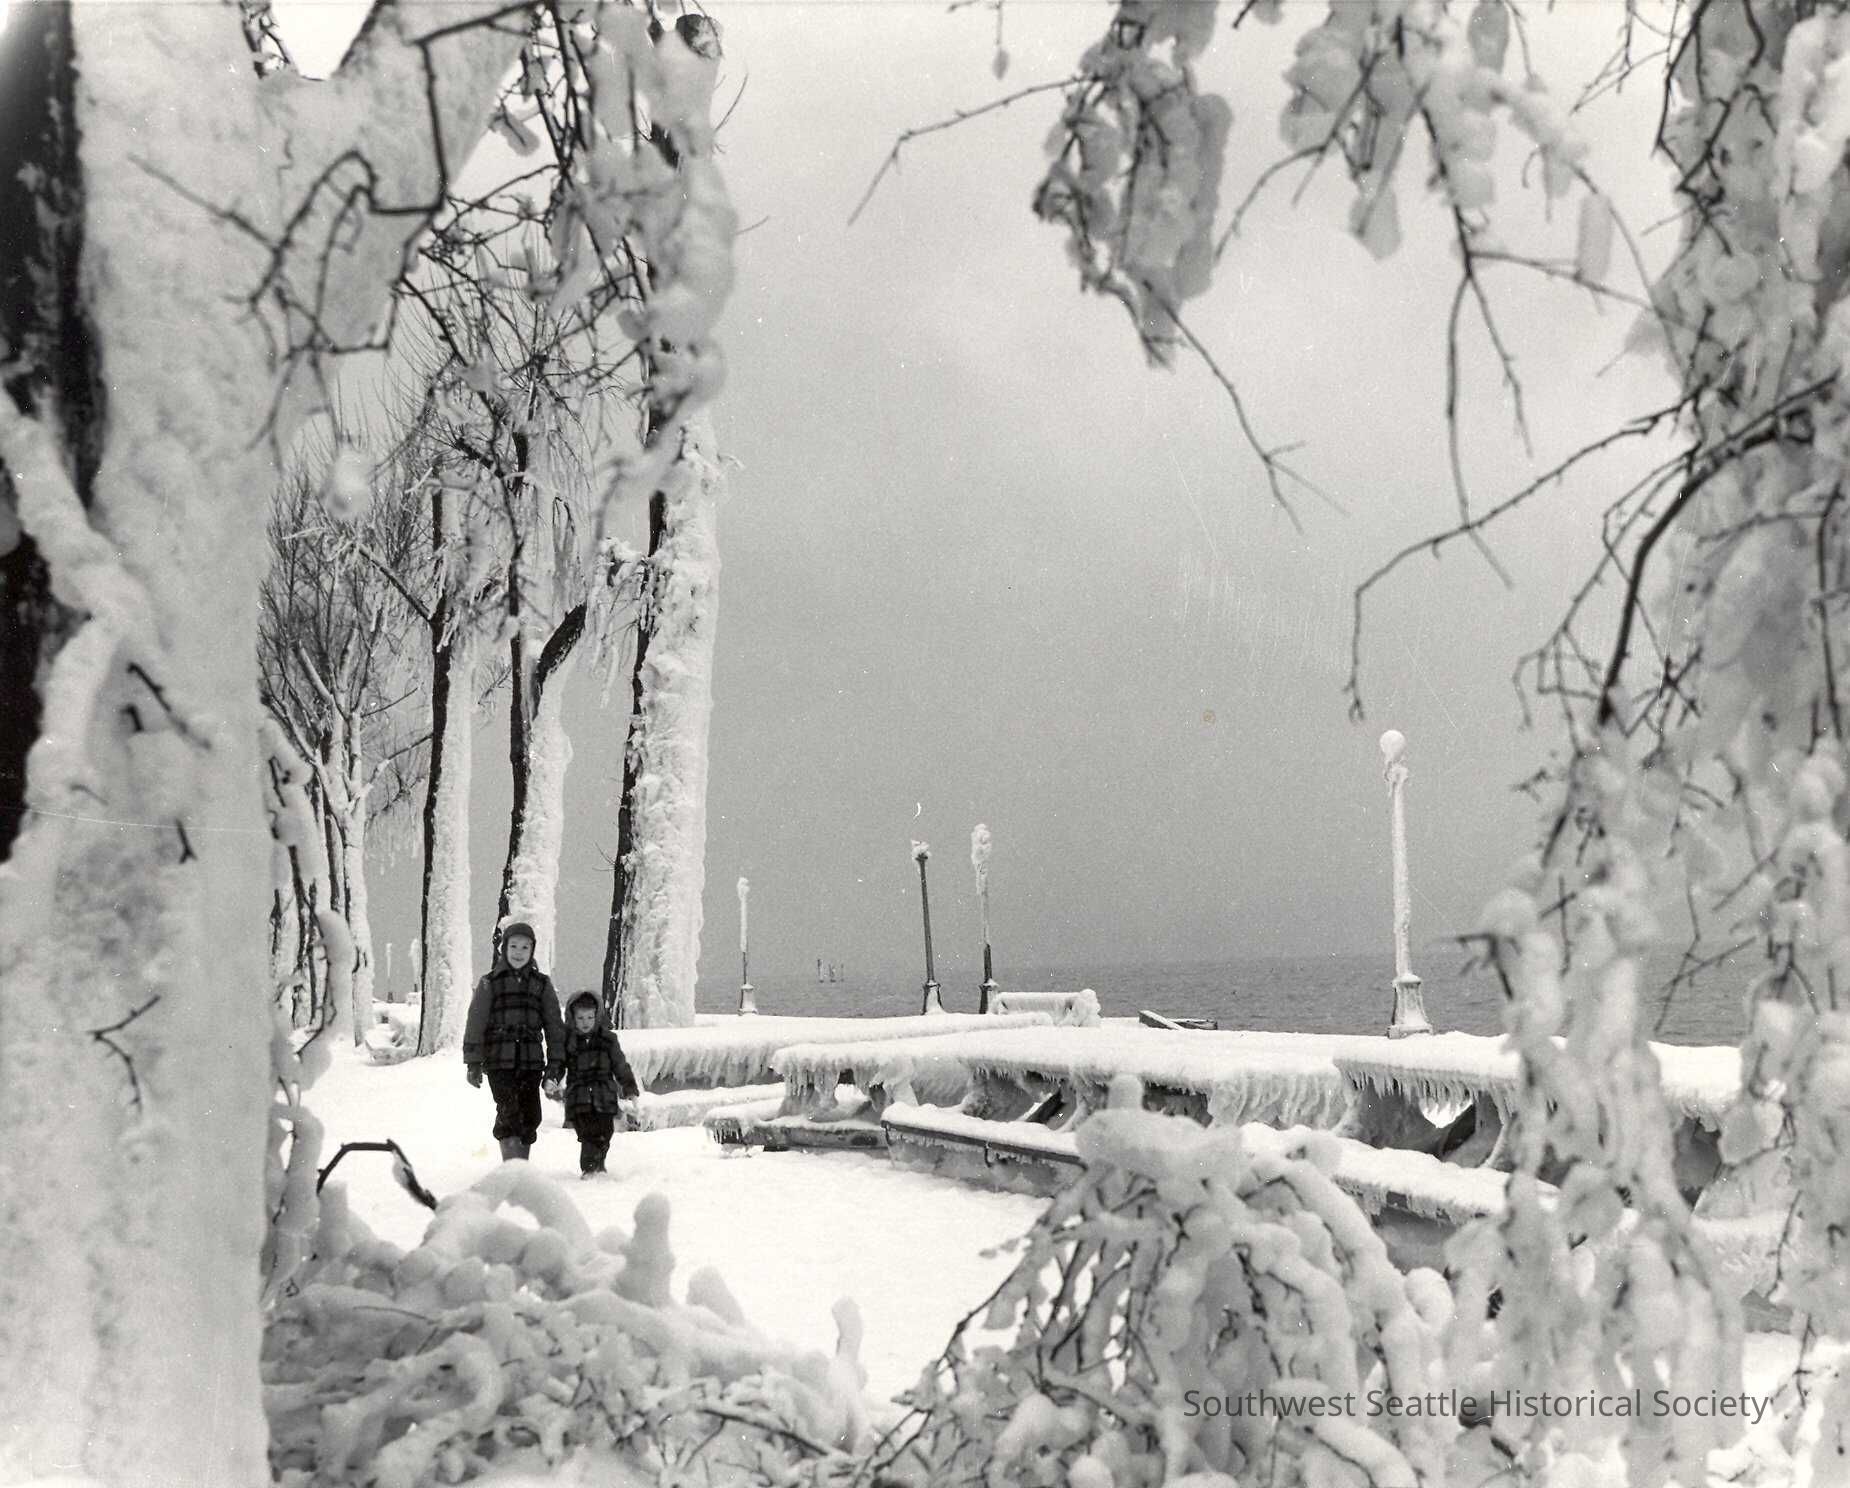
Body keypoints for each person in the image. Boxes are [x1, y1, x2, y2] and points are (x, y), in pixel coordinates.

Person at [463, 922, 566, 1161]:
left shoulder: (542, 984)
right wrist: (473, 1062)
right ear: (504, 948)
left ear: (532, 950)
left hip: (531, 1063)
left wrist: (556, 1064)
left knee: (531, 1116)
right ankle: (511, 1167)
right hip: (499, 1062)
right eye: (514, 946)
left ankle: (522, 1166)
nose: (519, 952)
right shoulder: (489, 983)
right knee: (508, 1113)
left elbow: (554, 1027)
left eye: (525, 947)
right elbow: (475, 1023)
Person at [545, 990, 640, 1178]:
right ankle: (589, 1169)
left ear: (597, 1016)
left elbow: (620, 1065)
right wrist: (552, 1078)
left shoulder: (608, 1040)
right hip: (578, 1097)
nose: (585, 1022)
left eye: (590, 1017)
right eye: (580, 1018)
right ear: (572, 1018)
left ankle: (599, 1166)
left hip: (604, 1095)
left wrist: (629, 1087)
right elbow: (558, 1063)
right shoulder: (568, 1041)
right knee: (588, 1134)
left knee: (605, 1132)